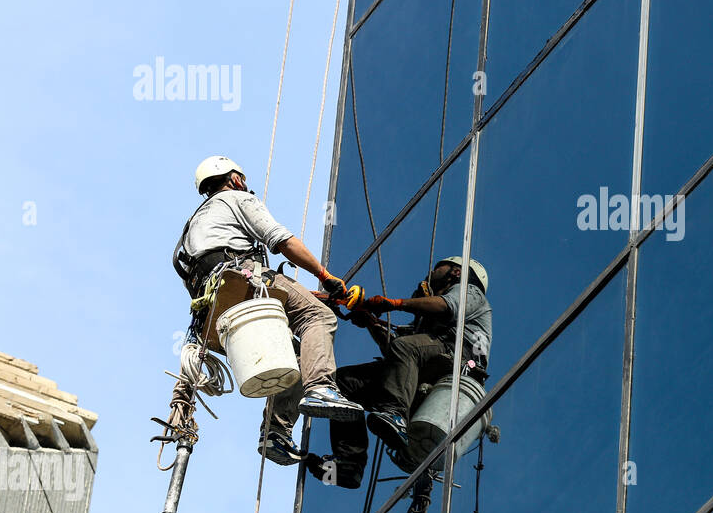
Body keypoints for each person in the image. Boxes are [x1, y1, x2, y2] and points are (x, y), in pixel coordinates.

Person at [173, 155, 365, 464]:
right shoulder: (238, 199)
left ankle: (275, 436)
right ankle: (321, 388)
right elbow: (282, 240)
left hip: (215, 302)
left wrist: (311, 294)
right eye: (241, 177)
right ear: (233, 179)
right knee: (318, 316)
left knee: (296, 357)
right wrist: (325, 277)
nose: (244, 182)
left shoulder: (197, 220)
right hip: (240, 275)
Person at [284, 256, 492, 489]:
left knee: (405, 347)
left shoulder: (470, 292)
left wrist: (393, 303)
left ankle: (395, 416)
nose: (432, 272)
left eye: (438, 267)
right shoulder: (424, 329)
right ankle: (349, 464)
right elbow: (396, 354)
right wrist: (370, 322)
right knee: (343, 383)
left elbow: (445, 308)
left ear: (456, 272)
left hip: (456, 359)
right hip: (429, 364)